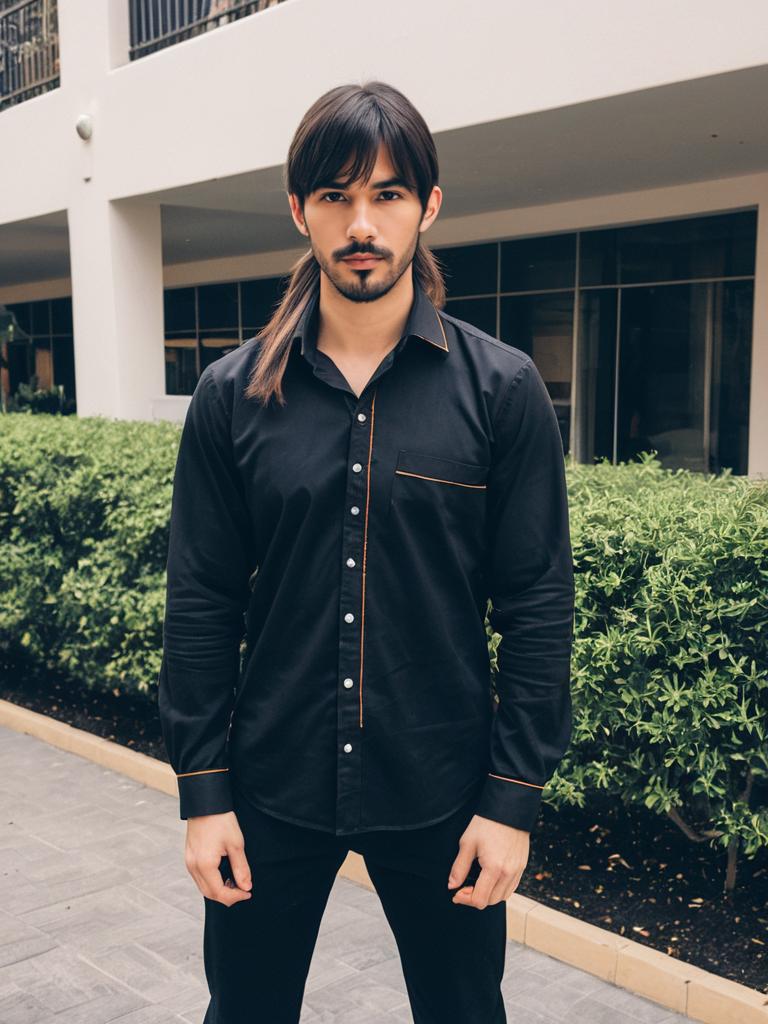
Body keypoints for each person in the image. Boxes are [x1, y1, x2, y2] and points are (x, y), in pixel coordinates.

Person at [158, 80, 575, 1024]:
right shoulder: (231, 397)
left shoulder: (502, 392)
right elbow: (203, 598)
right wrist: (202, 792)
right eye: (337, 196)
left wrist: (512, 800)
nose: (361, 223)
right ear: (298, 210)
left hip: (445, 793)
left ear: (428, 206)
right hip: (270, 787)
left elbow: (539, 603)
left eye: (387, 195)